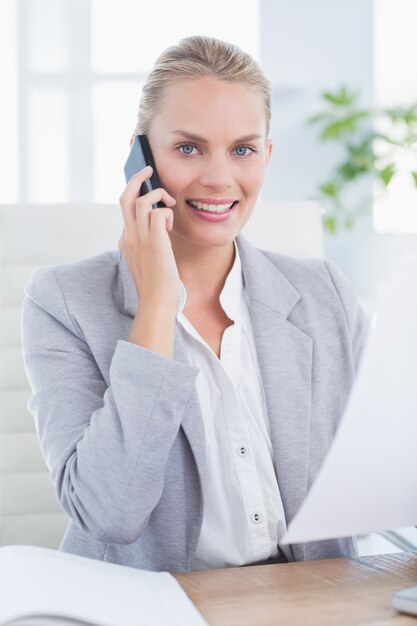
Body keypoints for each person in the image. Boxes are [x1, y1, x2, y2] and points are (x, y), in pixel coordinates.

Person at [21, 35, 368, 573]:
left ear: (266, 156)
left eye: (242, 149)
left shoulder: (326, 295)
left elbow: (387, 467)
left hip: (308, 601)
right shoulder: (64, 302)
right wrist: (157, 303)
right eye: (188, 148)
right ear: (142, 159)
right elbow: (109, 513)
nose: (218, 177)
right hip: (151, 606)